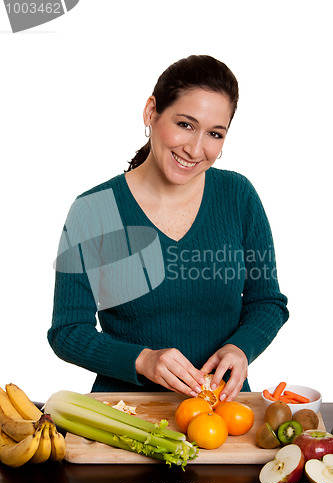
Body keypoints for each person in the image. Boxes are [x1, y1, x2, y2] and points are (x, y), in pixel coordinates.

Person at [48, 55, 289, 402]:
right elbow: (67, 331)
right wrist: (142, 360)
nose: (195, 149)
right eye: (185, 124)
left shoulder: (238, 196)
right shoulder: (94, 210)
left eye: (214, 134)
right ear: (151, 112)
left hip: (221, 410)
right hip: (125, 411)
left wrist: (241, 347)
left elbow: (267, 301)